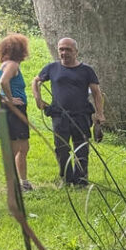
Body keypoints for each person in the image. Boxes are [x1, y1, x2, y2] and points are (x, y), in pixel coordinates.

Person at [33, 37, 105, 186]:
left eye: (68, 49)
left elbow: (97, 93)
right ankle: (66, 179)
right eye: (61, 49)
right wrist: (38, 99)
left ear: (76, 52)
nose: (64, 52)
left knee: (81, 149)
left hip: (81, 116)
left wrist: (100, 113)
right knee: (62, 149)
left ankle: (81, 180)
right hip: (59, 116)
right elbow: (36, 81)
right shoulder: (52, 68)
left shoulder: (87, 70)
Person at [0, 33, 33, 192]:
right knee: (17, 148)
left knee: (23, 147)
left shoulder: (5, 64)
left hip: (12, 109)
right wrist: (10, 100)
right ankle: (14, 184)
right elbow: (3, 82)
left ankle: (23, 182)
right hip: (14, 110)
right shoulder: (12, 65)